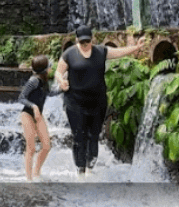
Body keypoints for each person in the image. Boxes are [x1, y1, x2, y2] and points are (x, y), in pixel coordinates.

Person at [54, 26, 145, 177]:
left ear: (92, 39)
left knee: (93, 136)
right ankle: (80, 171)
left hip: (97, 103)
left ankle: (90, 169)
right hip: (75, 103)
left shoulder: (101, 51)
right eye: (82, 41)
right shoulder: (69, 54)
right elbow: (58, 71)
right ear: (77, 40)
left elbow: (120, 52)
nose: (85, 44)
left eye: (87, 41)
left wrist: (137, 47)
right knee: (79, 137)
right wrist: (61, 81)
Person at [18, 55, 52, 181]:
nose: (50, 68)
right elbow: (21, 98)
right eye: (49, 66)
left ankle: (36, 173)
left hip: (38, 116)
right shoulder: (33, 80)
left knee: (46, 146)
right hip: (27, 114)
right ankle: (28, 179)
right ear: (44, 69)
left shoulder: (44, 81)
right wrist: (33, 106)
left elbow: (50, 93)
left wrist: (64, 88)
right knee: (31, 148)